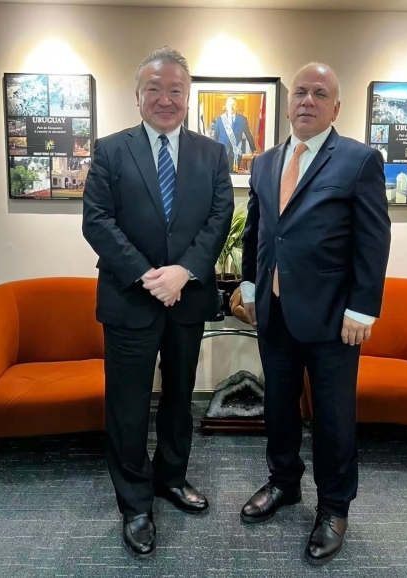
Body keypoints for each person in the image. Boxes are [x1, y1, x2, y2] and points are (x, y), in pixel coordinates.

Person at [82, 46, 234, 560]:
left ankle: (172, 477)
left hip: (187, 299)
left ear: (187, 96)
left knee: (179, 396)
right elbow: (97, 221)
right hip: (130, 298)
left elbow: (218, 218)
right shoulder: (110, 150)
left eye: (175, 90)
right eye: (155, 89)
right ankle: (135, 502)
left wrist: (184, 272)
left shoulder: (212, 153)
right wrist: (151, 276)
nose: (165, 99)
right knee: (127, 405)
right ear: (138, 95)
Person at [239, 62, 391, 566]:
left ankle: (334, 508)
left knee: (333, 417)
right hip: (275, 311)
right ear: (289, 103)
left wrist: (362, 308)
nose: (307, 100)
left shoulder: (359, 160)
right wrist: (249, 285)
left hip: (333, 318)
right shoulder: (265, 162)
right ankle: (284, 483)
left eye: (319, 93)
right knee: (278, 406)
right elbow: (258, 231)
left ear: (336, 107)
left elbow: (373, 240)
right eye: (300, 91)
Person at [213, 96, 257, 173]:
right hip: (222, 153)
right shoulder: (220, 119)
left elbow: (248, 135)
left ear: (236, 107)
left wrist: (254, 150)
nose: (231, 107)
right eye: (229, 105)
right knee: (222, 175)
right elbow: (215, 137)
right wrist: (214, 151)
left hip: (236, 154)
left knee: (234, 175)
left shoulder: (242, 119)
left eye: (233, 105)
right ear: (226, 106)